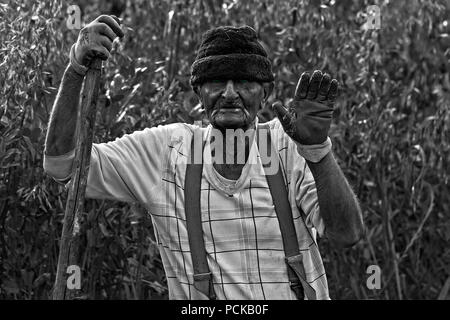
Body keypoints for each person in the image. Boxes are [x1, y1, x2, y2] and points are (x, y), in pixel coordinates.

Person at [44, 15, 364, 300]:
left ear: (264, 92)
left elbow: (346, 234)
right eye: (215, 82)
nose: (228, 93)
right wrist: (76, 68)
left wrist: (318, 151)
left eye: (243, 82)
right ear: (199, 92)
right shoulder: (168, 152)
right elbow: (63, 165)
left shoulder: (288, 145)